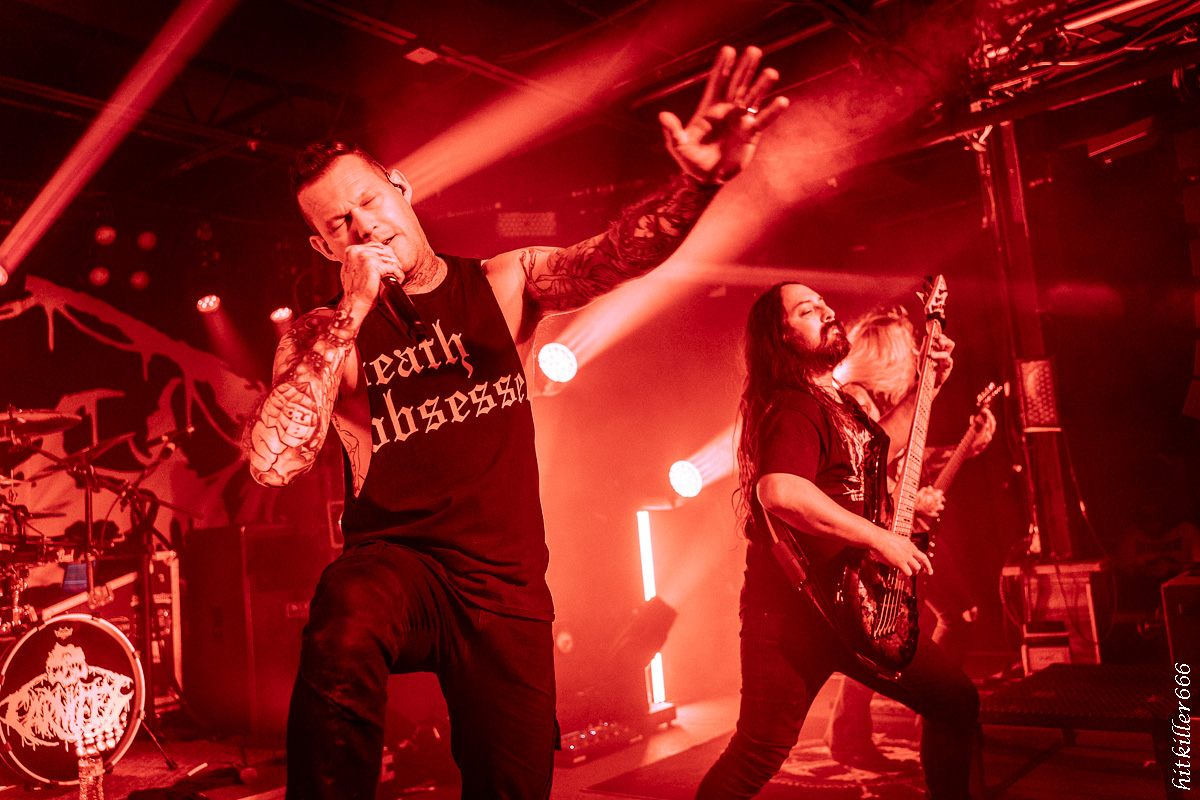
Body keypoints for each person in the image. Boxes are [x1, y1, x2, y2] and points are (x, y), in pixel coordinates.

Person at [241, 46, 788, 800]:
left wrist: (697, 183)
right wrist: (356, 305)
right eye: (339, 223)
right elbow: (273, 463)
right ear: (324, 246)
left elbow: (613, 258)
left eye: (369, 200)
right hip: (400, 567)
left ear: (401, 189)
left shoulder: (504, 282)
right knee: (345, 613)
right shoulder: (323, 334)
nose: (363, 224)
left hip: (506, 587)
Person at [693, 284, 980, 800]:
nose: (826, 311)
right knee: (757, 752)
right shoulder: (794, 406)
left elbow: (881, 442)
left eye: (824, 303)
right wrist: (881, 539)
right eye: (807, 311)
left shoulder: (839, 401)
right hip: (792, 616)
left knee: (954, 700)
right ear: (782, 337)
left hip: (852, 607)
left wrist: (930, 385)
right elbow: (780, 490)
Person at [824, 305, 996, 770]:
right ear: (890, 356)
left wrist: (968, 444)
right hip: (872, 539)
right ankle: (863, 731)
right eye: (909, 355)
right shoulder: (855, 400)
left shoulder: (877, 404)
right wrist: (910, 502)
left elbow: (902, 456)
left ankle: (873, 729)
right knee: (878, 636)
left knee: (918, 625)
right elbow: (858, 478)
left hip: (895, 535)